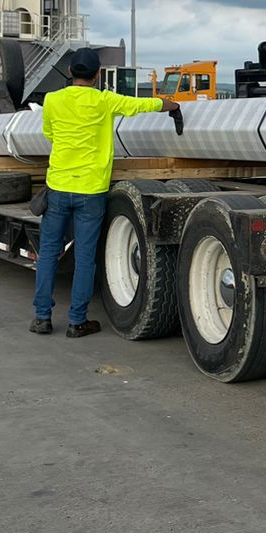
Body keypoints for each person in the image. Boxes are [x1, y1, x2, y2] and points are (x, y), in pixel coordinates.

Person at [31, 58, 181, 337]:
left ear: (70, 71)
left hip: (58, 188)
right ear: (98, 74)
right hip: (91, 191)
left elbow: (49, 133)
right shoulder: (104, 101)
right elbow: (140, 105)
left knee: (49, 253)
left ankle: (42, 318)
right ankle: (77, 322)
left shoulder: (52, 100)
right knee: (85, 258)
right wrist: (170, 106)